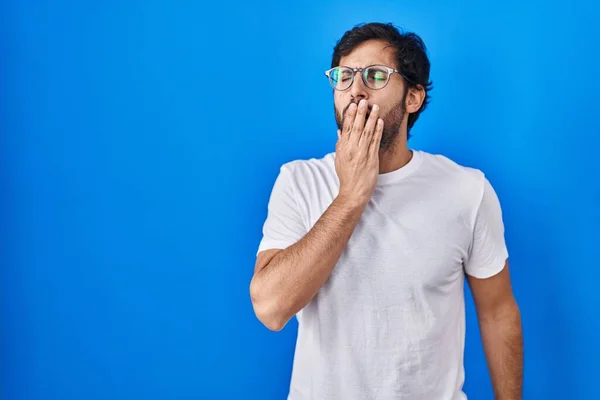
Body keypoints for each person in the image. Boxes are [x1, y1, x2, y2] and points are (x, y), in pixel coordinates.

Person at [249, 22, 523, 400]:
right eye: (343, 76)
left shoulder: (467, 190)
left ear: (412, 98)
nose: (355, 90)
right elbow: (271, 308)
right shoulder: (298, 181)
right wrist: (350, 197)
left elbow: (497, 311)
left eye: (375, 76)